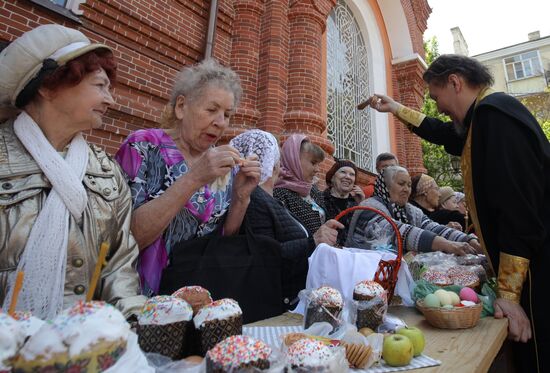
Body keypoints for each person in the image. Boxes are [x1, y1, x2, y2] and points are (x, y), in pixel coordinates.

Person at [363, 54, 549, 371]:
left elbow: (518, 210)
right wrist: (395, 109)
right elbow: (446, 134)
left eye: (436, 97)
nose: (438, 107)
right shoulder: (484, 119)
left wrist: (509, 295)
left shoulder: (496, 117)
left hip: (536, 271)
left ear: (455, 81)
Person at [0, 24, 145, 319]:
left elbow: (119, 265)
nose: (110, 100)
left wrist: (130, 327)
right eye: (99, 86)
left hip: (83, 351)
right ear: (47, 85)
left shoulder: (106, 171)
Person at [115, 59, 261, 296]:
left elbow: (221, 241)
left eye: (227, 114)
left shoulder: (224, 165)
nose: (221, 122)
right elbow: (127, 239)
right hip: (138, 300)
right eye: (211, 110)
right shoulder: (143, 146)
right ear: (181, 107)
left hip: (198, 301)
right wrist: (194, 178)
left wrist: (241, 199)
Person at [230, 129, 343, 309]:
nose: (278, 165)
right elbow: (265, 254)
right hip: (279, 298)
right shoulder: (265, 197)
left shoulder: (310, 191)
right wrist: (313, 240)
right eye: (274, 158)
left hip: (302, 281)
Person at [346, 166, 480, 255]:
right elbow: (398, 232)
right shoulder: (368, 207)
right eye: (401, 184)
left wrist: (468, 240)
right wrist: (447, 245)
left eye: (409, 185)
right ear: (386, 186)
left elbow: (433, 228)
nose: (406, 189)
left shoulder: (411, 211)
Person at [273, 134, 328, 236]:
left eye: (318, 164)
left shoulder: (313, 190)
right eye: (313, 162)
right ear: (294, 160)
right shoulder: (279, 195)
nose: (317, 169)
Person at [322, 159, 365, 244]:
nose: (348, 177)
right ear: (332, 177)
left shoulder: (356, 204)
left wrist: (362, 204)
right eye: (343, 172)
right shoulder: (319, 200)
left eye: (352, 174)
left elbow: (363, 234)